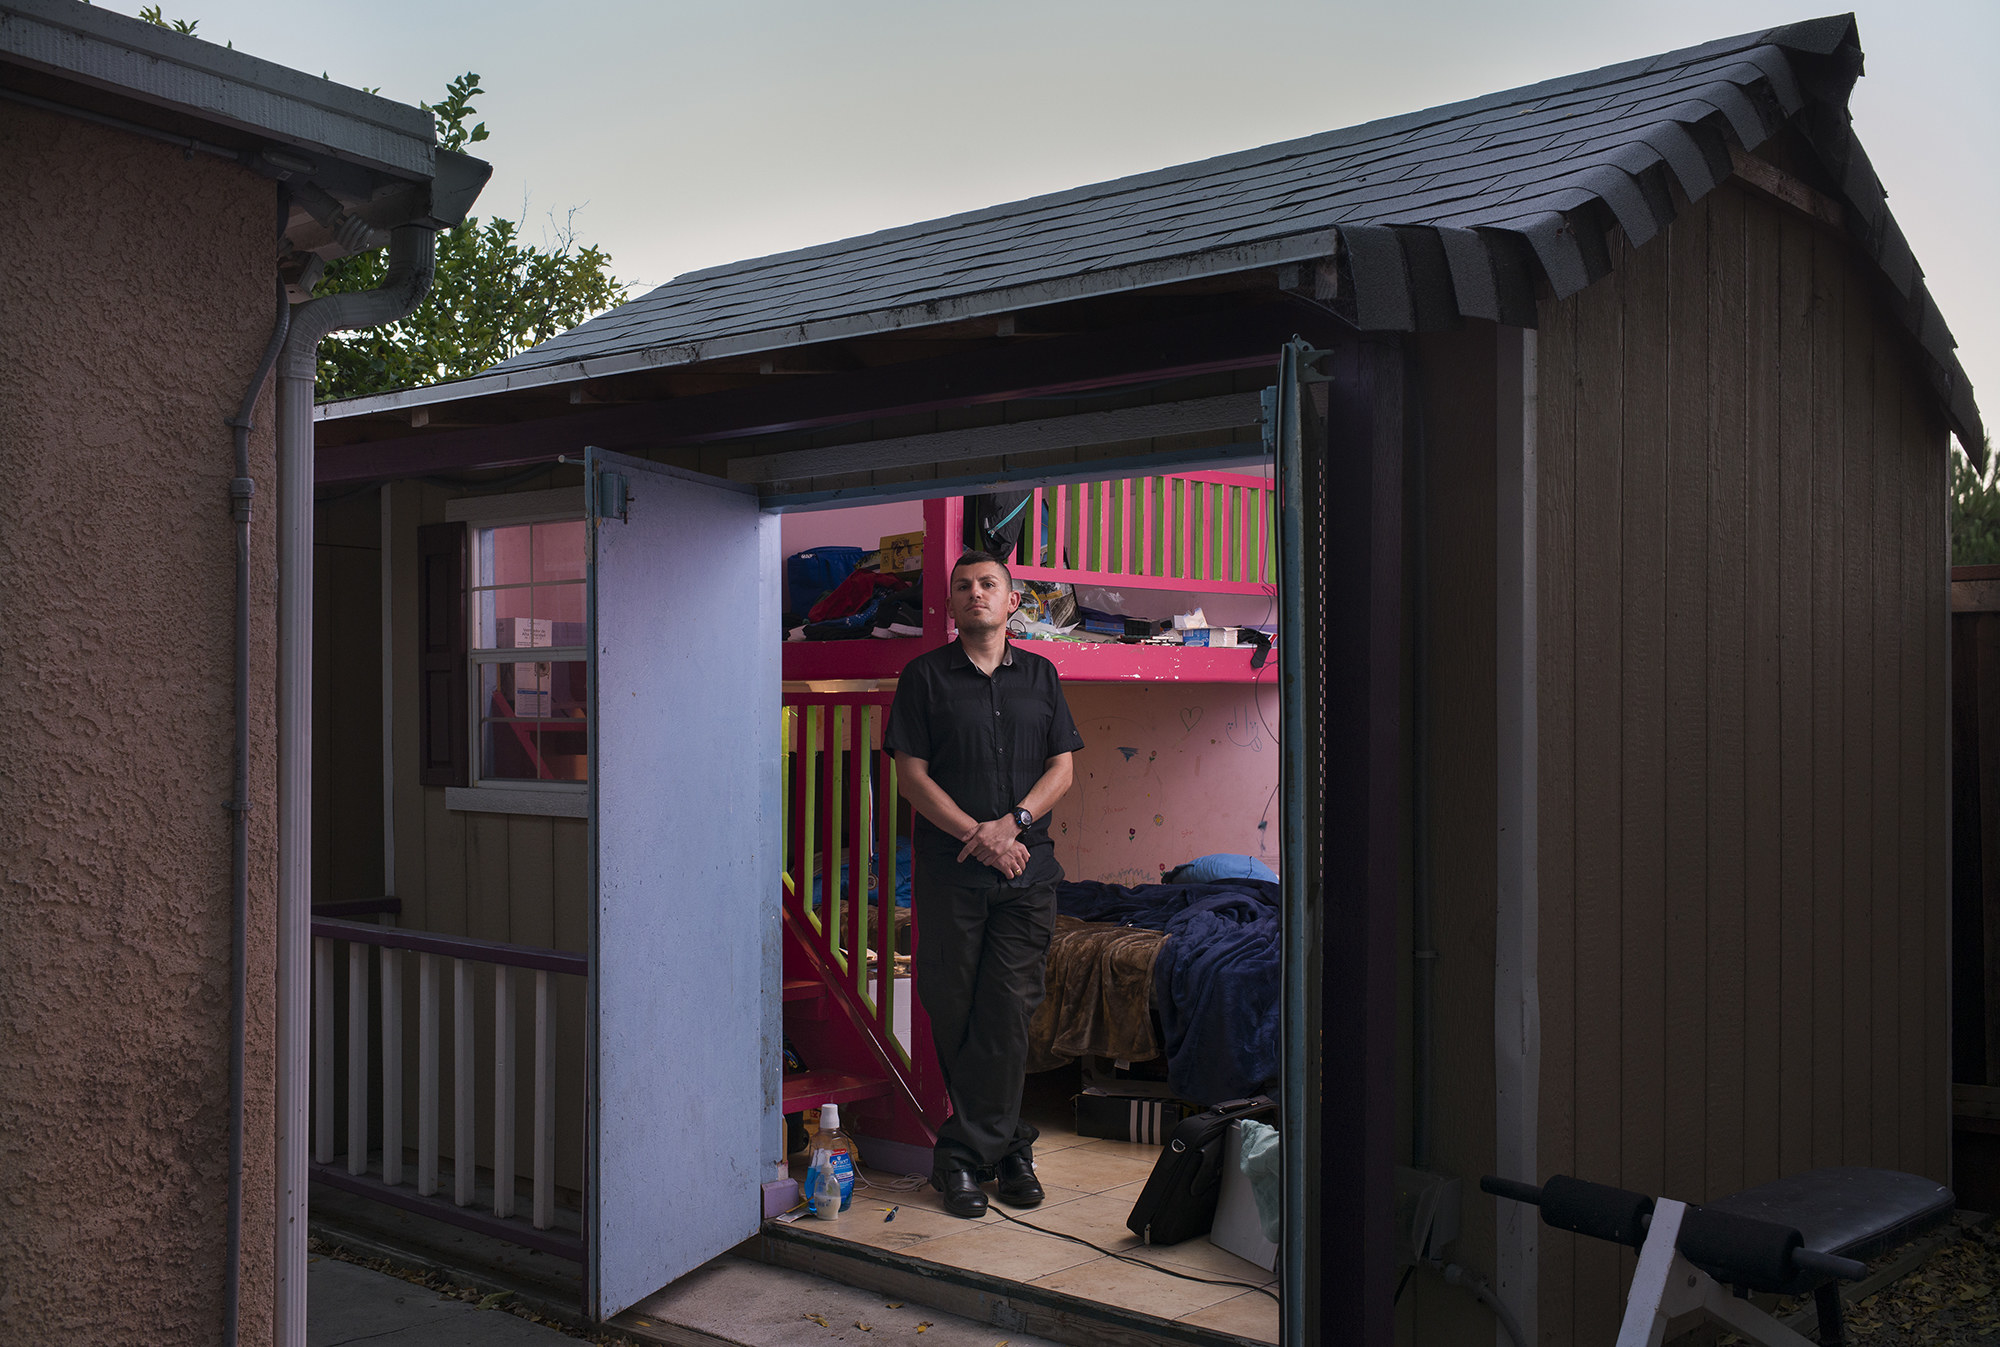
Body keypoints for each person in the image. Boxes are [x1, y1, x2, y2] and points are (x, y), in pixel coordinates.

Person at [885, 550, 1083, 1218]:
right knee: (954, 1007)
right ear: (950, 604)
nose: (977, 593)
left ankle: (961, 1158)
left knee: (1008, 1008)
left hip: (1029, 874)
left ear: (1012, 600)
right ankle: (1009, 1147)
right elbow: (912, 778)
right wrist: (981, 835)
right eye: (964, 586)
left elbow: (1062, 768)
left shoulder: (1043, 677)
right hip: (951, 877)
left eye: (989, 584)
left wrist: (1014, 824)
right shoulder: (922, 678)